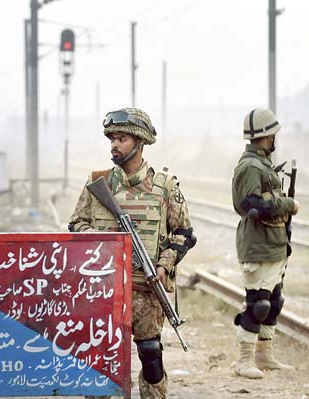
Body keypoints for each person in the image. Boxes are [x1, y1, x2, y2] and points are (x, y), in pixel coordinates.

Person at [68, 108, 194, 399]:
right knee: (100, 355)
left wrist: (164, 265)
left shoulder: (164, 187)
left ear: (139, 143)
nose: (114, 145)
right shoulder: (99, 182)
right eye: (112, 138)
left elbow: (185, 233)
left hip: (146, 290)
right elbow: (76, 224)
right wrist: (106, 242)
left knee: (150, 354)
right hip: (104, 288)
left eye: (121, 138)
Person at [231, 108, 299, 379]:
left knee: (274, 300)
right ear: (267, 136)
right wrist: (288, 204)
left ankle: (265, 357)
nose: (274, 140)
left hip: (274, 243)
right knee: (258, 304)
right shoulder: (250, 166)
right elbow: (250, 204)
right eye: (273, 135)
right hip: (257, 245)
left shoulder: (263, 163)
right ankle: (243, 361)